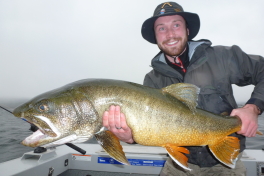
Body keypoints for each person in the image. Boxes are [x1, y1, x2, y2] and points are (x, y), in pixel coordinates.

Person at [103, 2, 264, 175]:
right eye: (161, 28)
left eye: (176, 25)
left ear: (187, 30)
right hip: (179, 164)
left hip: (225, 163)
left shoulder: (222, 57)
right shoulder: (152, 80)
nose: (170, 33)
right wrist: (130, 138)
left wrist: (252, 107)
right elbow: (151, 130)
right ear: (155, 36)